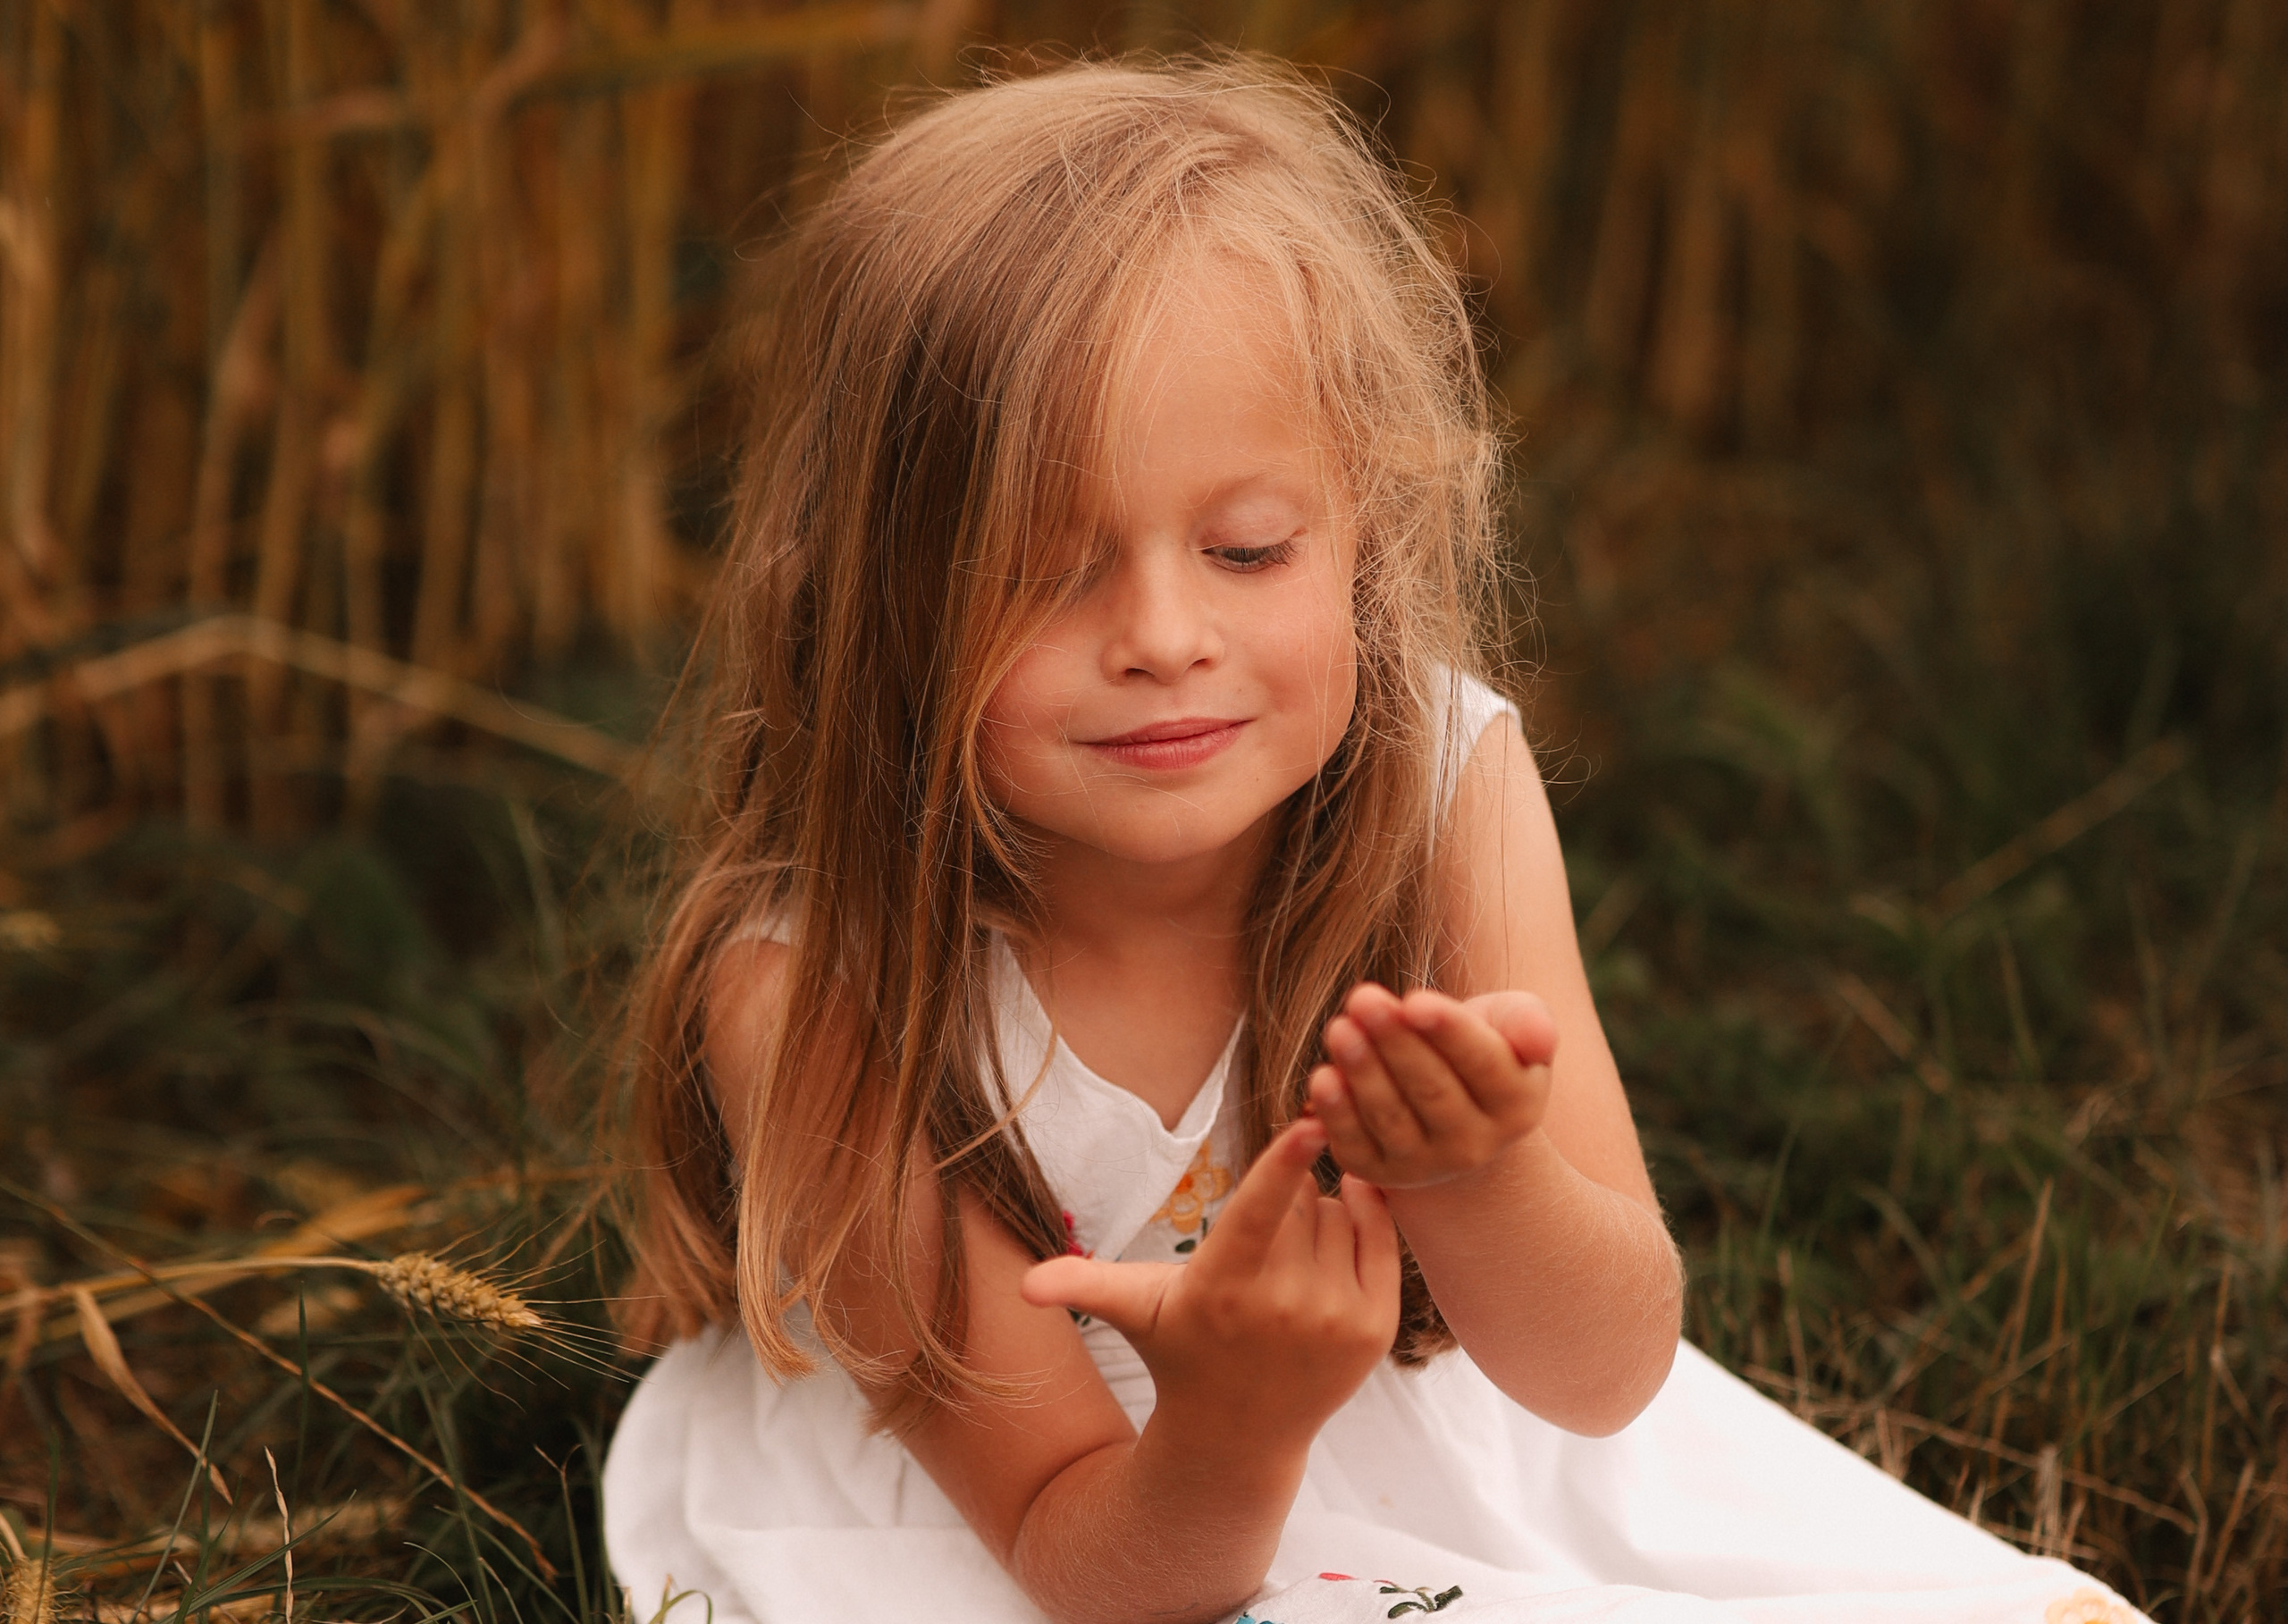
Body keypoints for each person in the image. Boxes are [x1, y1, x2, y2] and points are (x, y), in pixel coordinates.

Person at [601, 56, 2147, 1624]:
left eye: (1247, 548)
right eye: (1048, 571)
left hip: (1432, 1432)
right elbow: (1081, 1557)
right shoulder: (811, 988)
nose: (1163, 634)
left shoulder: (1445, 790)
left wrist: (1482, 1179)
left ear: (1362, 531)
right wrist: (1234, 1420)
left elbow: (1608, 1373)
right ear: (876, 594)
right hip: (1060, 1512)